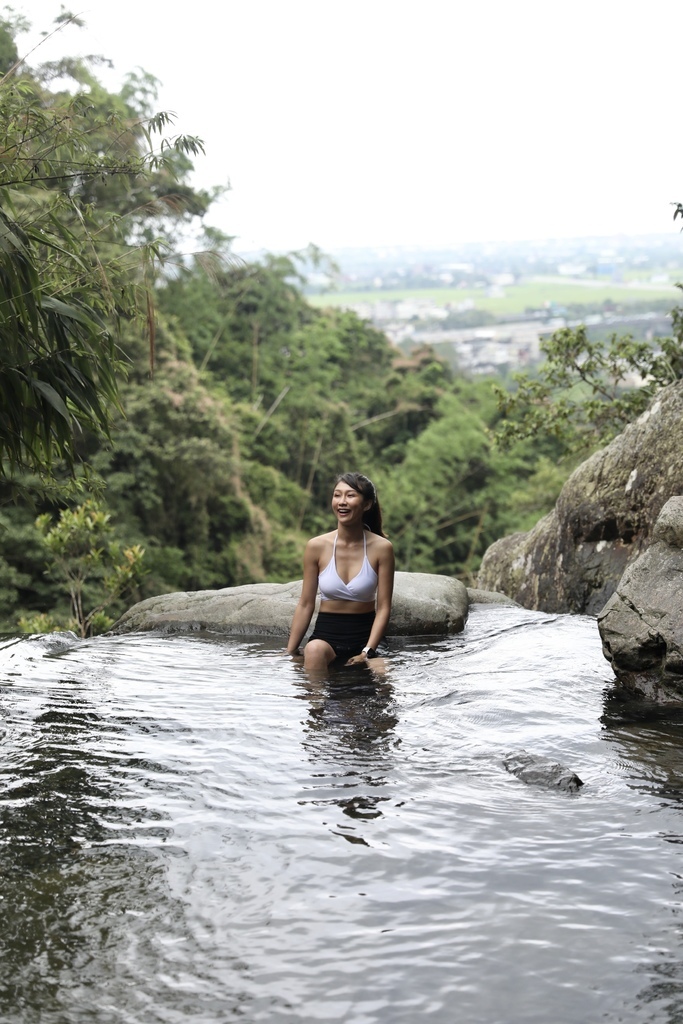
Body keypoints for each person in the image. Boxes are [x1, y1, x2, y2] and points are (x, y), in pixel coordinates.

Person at [286, 472, 395, 671]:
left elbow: (384, 607)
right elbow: (305, 603)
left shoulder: (382, 548)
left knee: (383, 679)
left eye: (350, 496)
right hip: (327, 635)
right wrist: (290, 651)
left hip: (366, 635)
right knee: (314, 650)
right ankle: (317, 703)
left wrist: (367, 650)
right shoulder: (316, 546)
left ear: (367, 504)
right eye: (337, 495)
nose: (342, 502)